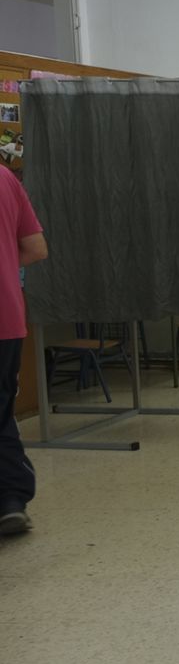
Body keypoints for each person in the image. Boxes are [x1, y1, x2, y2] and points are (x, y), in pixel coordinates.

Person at [0, 166, 45, 536]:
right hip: (6, 318)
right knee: (1, 414)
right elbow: (35, 248)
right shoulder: (5, 178)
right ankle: (11, 501)